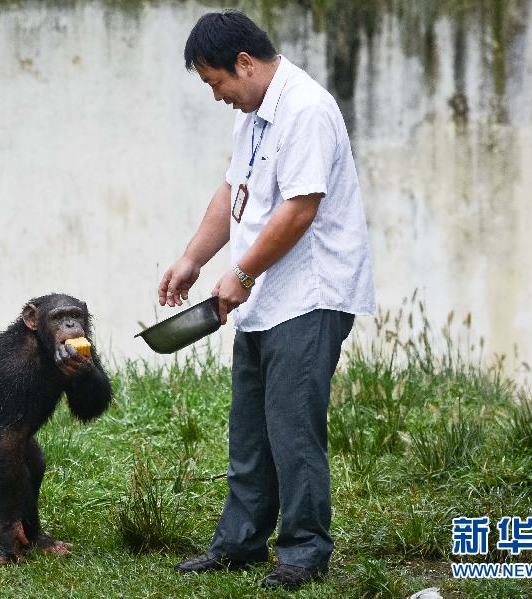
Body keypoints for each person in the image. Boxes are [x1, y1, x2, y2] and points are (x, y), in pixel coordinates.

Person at [158, 10, 376, 590]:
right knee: (250, 427)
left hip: (309, 294)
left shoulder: (306, 108)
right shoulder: (255, 116)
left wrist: (242, 274)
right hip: (264, 297)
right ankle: (241, 542)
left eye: (216, 82)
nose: (217, 96)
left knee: (291, 426)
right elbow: (236, 188)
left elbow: (301, 208)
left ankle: (304, 552)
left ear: (245, 64)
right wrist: (193, 260)